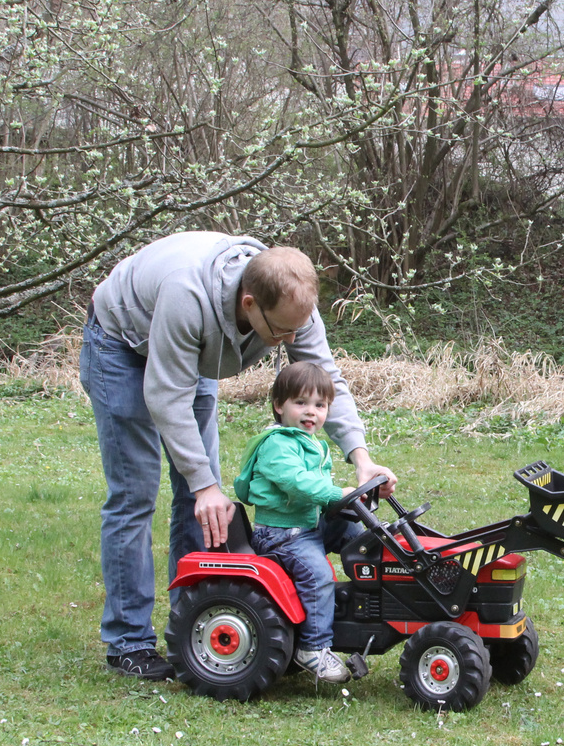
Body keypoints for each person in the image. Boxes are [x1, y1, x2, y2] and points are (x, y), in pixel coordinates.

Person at [80, 234, 394, 680]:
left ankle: (193, 621)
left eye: (296, 330)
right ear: (249, 303)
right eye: (282, 332)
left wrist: (359, 456)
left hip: (195, 352)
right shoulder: (186, 295)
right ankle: (128, 641)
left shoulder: (288, 298)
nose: (289, 340)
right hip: (122, 343)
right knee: (137, 495)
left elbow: (328, 379)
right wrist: (204, 483)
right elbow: (167, 396)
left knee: (201, 504)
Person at [235, 361, 363, 683]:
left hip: (306, 525)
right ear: (279, 405)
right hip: (281, 535)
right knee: (317, 573)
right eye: (301, 402)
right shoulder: (277, 445)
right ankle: (314, 648)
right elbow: (299, 483)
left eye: (320, 405)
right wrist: (337, 493)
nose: (311, 412)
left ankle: (369, 596)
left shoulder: (313, 444)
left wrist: (349, 501)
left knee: (356, 533)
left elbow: (316, 491)